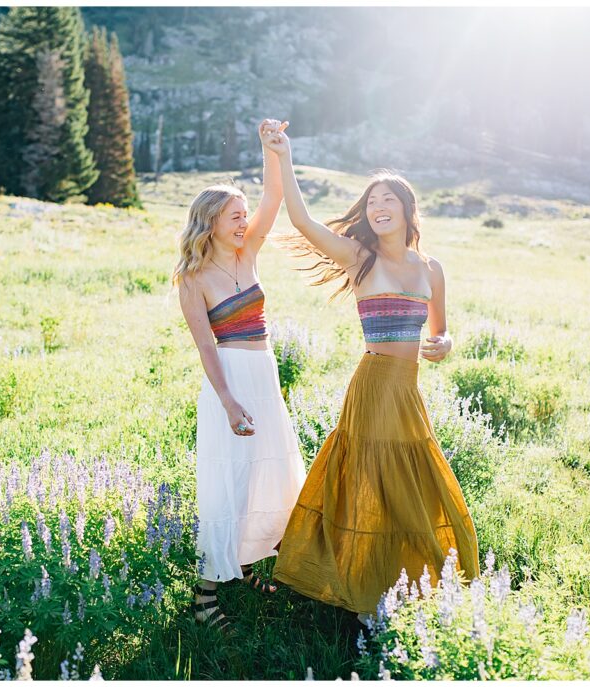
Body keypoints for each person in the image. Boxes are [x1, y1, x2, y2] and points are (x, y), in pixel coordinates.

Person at [262, 124, 480, 620]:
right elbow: (302, 222)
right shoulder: (360, 257)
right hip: (372, 382)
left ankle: (407, 580)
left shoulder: (432, 269)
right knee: (372, 480)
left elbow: (441, 335)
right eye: (371, 202)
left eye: (388, 200)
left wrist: (443, 344)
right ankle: (364, 597)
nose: (378, 207)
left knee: (410, 482)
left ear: (406, 210)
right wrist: (282, 156)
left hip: (407, 392)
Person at [174, 119, 307, 631]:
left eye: (243, 216)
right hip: (229, 379)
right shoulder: (193, 279)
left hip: (265, 374)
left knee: (268, 472)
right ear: (209, 221)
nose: (243, 222)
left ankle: (246, 564)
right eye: (234, 216)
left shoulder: (246, 252)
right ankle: (205, 597)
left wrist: (272, 149)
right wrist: (228, 400)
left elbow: (274, 198)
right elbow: (206, 346)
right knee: (231, 480)